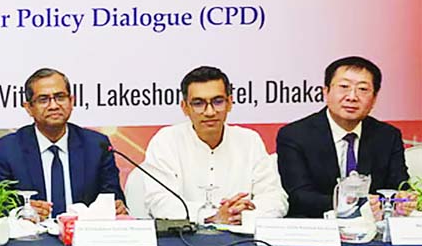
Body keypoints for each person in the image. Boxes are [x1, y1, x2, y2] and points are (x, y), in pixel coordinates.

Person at [142, 66, 287, 224]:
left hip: (241, 233)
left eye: (218, 102)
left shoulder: (249, 140)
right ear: (185, 108)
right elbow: (159, 202)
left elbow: (275, 198)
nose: (210, 112)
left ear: (230, 103)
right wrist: (213, 215)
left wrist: (241, 214)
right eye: (198, 103)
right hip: (185, 235)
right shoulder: (166, 141)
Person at [277, 56, 410, 218]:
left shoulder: (387, 136)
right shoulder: (295, 135)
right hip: (316, 224)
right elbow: (299, 195)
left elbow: (398, 185)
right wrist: (353, 205)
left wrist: (402, 201)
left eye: (362, 89)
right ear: (326, 92)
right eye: (344, 87)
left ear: (374, 98)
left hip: (372, 226)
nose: (352, 97)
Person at [0, 68, 125, 220]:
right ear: (29, 108)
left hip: (82, 233)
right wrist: (20, 213)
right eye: (43, 100)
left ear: (72, 101)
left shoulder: (96, 146)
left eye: (60, 97)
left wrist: (116, 207)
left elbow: (113, 198)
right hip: (30, 234)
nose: (53, 106)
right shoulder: (5, 150)